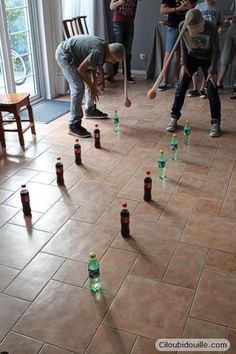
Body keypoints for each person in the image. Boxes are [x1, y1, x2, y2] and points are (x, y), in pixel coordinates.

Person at [166, 8, 221, 137]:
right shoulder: (182, 26)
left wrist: (212, 71)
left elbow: (216, 51)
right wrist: (183, 64)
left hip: (208, 58)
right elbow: (183, 45)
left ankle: (215, 122)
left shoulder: (211, 27)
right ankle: (174, 117)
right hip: (191, 58)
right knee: (181, 86)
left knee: (212, 90)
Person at [55, 35, 125, 138]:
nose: (113, 62)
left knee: (93, 81)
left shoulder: (105, 48)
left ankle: (90, 110)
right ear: (112, 56)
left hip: (77, 57)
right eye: (114, 60)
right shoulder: (98, 51)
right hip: (65, 55)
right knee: (78, 88)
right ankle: (74, 125)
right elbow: (81, 69)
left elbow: (93, 65)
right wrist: (92, 87)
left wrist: (92, 83)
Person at [187, 0, 224, 98]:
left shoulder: (218, 8)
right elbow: (191, 21)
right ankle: (195, 89)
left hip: (211, 40)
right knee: (194, 63)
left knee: (206, 65)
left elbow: (220, 23)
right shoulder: (198, 6)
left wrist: (219, 30)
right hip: (198, 38)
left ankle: (202, 89)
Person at [158, 0, 197, 91]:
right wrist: (177, 9)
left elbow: (196, 10)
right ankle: (164, 81)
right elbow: (162, 10)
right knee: (168, 53)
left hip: (187, 28)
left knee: (180, 54)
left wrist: (190, 7)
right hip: (173, 27)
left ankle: (176, 79)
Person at [110, 0, 139, 84]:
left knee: (128, 50)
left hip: (130, 23)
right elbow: (111, 6)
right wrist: (121, 1)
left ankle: (127, 75)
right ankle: (112, 74)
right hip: (118, 23)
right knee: (116, 49)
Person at [217, 1, 236, 96]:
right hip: (232, 31)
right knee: (225, 58)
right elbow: (233, 15)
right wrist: (227, 20)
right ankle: (219, 83)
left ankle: (235, 85)